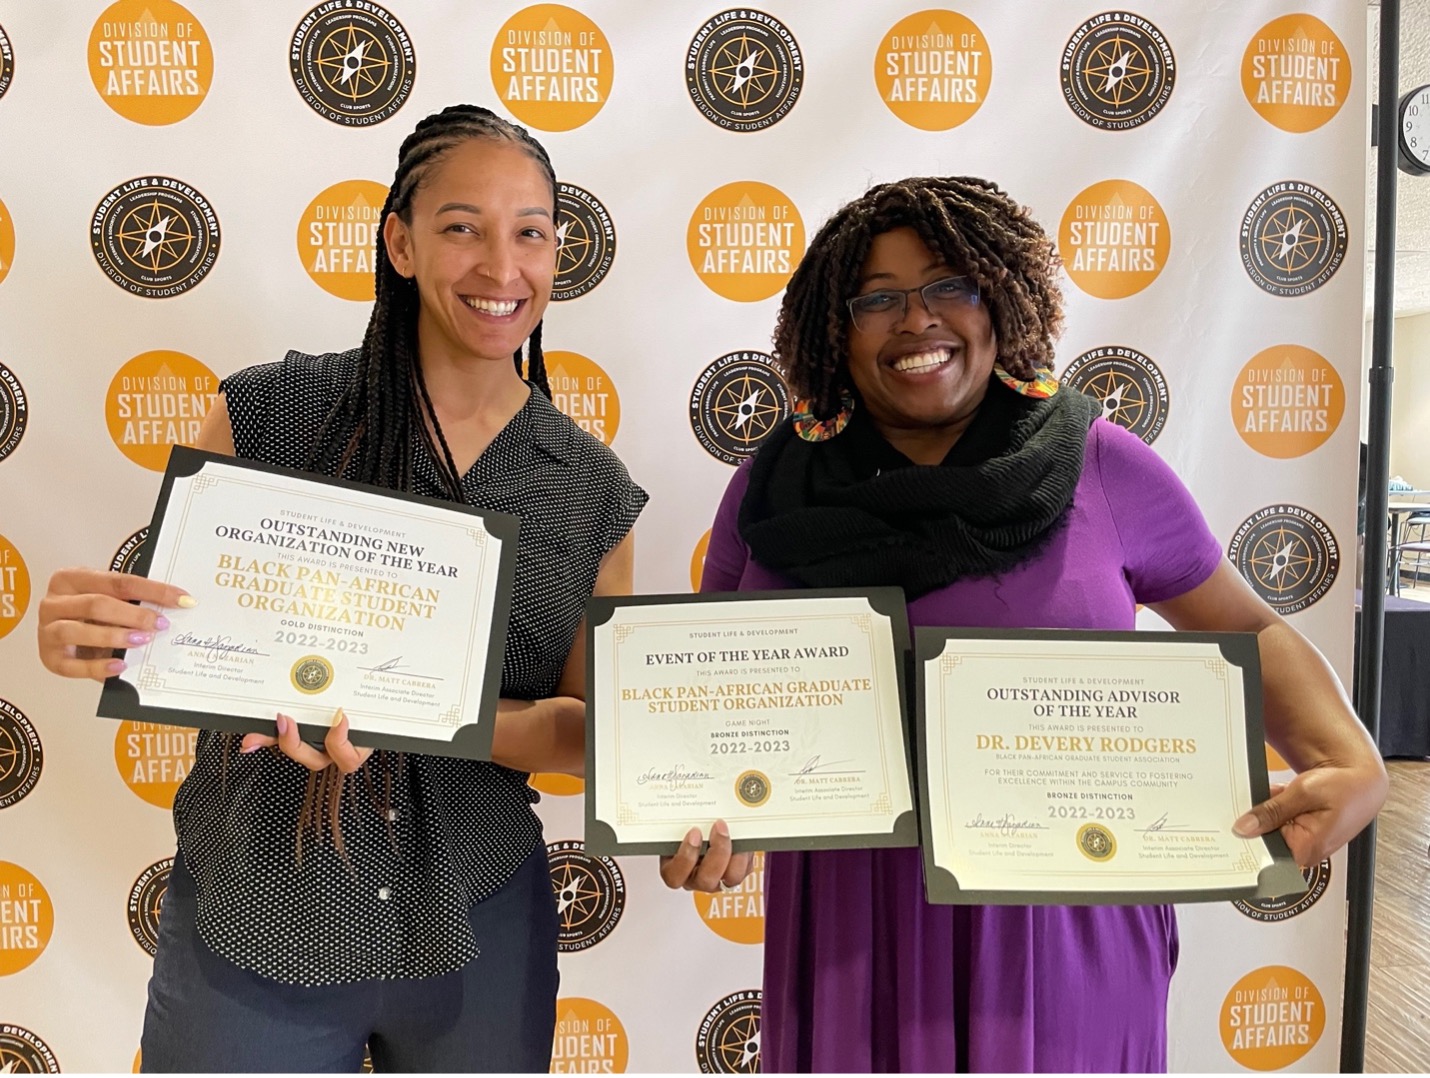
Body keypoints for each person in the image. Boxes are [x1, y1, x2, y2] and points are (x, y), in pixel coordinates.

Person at [660, 176, 1386, 1073]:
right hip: (850, 924)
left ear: (1002, 297)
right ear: (832, 330)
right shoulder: (772, 487)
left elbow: (1246, 628)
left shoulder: (1099, 462)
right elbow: (702, 699)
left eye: (949, 285)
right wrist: (700, 815)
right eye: (876, 299)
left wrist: (1348, 760)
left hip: (1063, 916)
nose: (916, 319)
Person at [36, 104, 646, 1073]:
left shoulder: (591, 487)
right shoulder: (262, 415)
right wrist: (88, 635)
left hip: (480, 923)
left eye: (529, 231)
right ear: (399, 243)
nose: (501, 266)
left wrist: (415, 706)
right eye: (460, 227)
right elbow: (161, 640)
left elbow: (583, 729)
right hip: (257, 911)